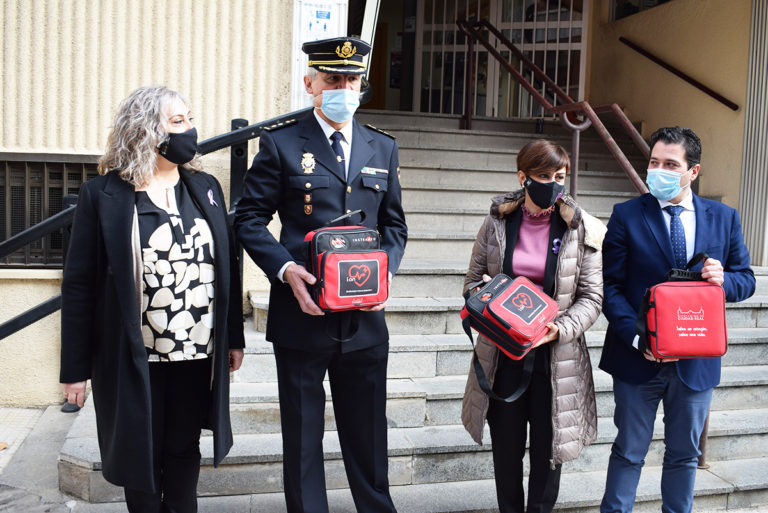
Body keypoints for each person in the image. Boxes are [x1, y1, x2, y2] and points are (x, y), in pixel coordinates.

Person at [235, 37, 407, 513]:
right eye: (334, 79)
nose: (344, 88)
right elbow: (249, 217)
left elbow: (394, 224)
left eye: (352, 80)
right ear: (311, 84)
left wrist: (383, 274)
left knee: (370, 436)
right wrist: (285, 268)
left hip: (365, 320)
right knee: (304, 438)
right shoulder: (282, 143)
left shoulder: (382, 146)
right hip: (302, 313)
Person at [60, 85, 245, 513]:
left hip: (197, 352)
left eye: (189, 119)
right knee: (140, 454)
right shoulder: (103, 196)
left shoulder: (206, 187)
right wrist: (74, 371)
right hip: (133, 356)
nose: (190, 130)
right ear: (145, 131)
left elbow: (226, 266)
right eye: (177, 122)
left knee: (184, 449)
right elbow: (79, 287)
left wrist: (232, 337)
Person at [599, 126, 756, 513]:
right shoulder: (626, 215)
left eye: (671, 164)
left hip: (695, 363)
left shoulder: (724, 218)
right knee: (628, 451)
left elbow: (746, 280)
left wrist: (724, 281)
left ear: (693, 172)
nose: (659, 171)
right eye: (654, 162)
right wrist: (638, 339)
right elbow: (611, 286)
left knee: (684, 455)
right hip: (639, 359)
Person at [461, 139, 604, 513]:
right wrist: (493, 309)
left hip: (557, 360)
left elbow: (591, 297)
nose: (553, 185)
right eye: (543, 176)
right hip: (503, 353)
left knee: (548, 456)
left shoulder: (578, 226)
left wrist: (560, 328)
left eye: (560, 176)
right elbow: (473, 281)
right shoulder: (497, 221)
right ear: (522, 177)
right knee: (506, 454)